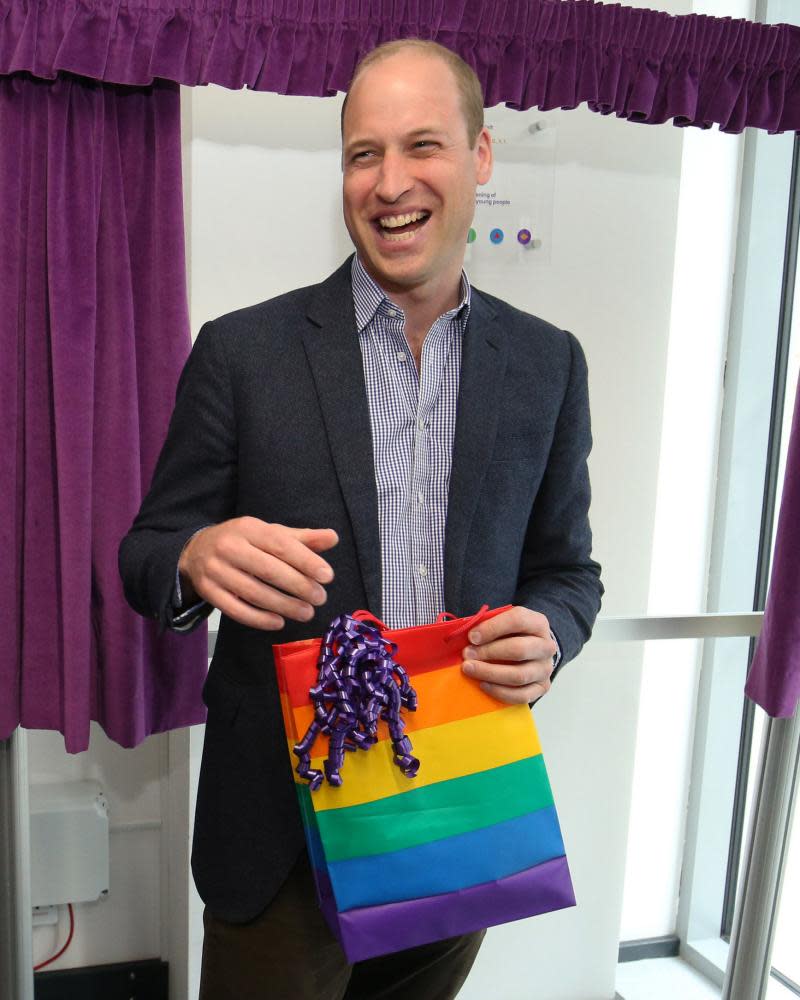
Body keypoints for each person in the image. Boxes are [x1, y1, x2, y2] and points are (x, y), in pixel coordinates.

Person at [120, 38, 603, 1000]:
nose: (390, 184)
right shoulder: (240, 354)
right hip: (282, 836)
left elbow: (568, 569)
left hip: (455, 820)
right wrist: (197, 557)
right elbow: (146, 557)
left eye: (422, 145)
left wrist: (552, 629)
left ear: (480, 156)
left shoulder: (549, 365)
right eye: (362, 154)